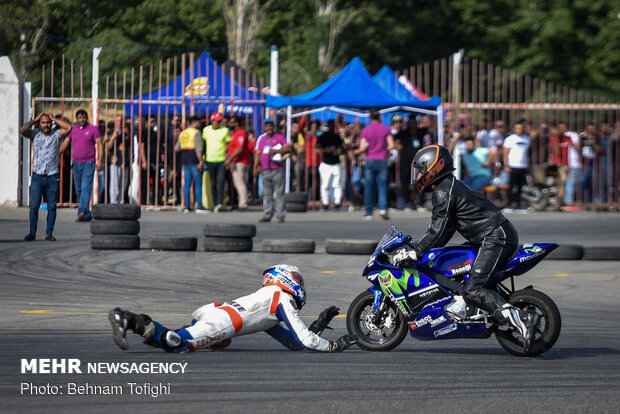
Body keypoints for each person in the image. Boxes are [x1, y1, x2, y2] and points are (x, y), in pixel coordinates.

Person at [391, 145, 538, 352]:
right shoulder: (448, 186)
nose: (419, 175)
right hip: (491, 237)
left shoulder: (444, 191)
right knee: (446, 263)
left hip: (495, 238)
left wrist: (415, 250)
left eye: (422, 169)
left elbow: (438, 231)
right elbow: (444, 231)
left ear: (435, 166)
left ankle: (521, 318)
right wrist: (419, 248)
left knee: (473, 289)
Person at [109, 264, 358, 353]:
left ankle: (154, 336)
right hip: (222, 321)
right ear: (287, 279)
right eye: (298, 280)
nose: (300, 286)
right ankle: (129, 319)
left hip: (217, 312)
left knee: (189, 340)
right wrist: (333, 346)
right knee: (178, 344)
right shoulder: (281, 299)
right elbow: (305, 340)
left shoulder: (268, 301)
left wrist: (318, 327)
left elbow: (294, 342)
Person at [20, 113, 72, 241]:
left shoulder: (56, 134)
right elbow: (22, 130)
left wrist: (54, 118)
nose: (46, 125)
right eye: (43, 123)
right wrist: (35, 120)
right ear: (40, 124)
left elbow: (69, 128)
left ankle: (49, 233)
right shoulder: (35, 134)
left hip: (52, 176)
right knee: (34, 206)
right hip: (37, 176)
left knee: (52, 206)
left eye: (48, 122)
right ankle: (32, 232)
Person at [60, 109, 103, 221]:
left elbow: (100, 144)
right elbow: (65, 143)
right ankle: (87, 214)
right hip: (76, 164)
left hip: (88, 164)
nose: (82, 119)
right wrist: (56, 153)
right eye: (79, 117)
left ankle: (81, 212)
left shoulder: (93, 129)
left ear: (87, 118)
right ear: (77, 119)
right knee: (78, 190)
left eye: (84, 117)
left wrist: (100, 161)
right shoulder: (73, 130)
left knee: (85, 188)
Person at [356, 110, 395, 220]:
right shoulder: (386, 129)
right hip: (382, 159)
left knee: (369, 186)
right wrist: (383, 149)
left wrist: (366, 150)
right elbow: (391, 145)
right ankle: (383, 208)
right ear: (379, 117)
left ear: (370, 118)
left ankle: (369, 212)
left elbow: (362, 148)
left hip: (370, 159)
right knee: (382, 186)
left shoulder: (366, 130)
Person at [254, 118, 292, 222]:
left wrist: (275, 151)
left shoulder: (279, 137)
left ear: (273, 127)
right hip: (265, 170)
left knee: (279, 193)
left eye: (270, 126)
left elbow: (288, 149)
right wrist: (256, 167)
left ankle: (280, 214)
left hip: (277, 169)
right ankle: (267, 214)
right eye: (267, 126)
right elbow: (258, 154)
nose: (269, 128)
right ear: (264, 127)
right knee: (267, 194)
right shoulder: (261, 139)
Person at [176, 116, 207, 214]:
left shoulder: (182, 133)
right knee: (198, 183)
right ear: (195, 122)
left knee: (187, 184)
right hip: (194, 160)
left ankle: (186, 206)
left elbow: (177, 148)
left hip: (185, 160)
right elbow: (198, 148)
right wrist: (201, 161)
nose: (200, 124)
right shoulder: (196, 133)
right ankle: (199, 206)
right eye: (199, 122)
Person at [202, 112, 231, 213]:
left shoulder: (225, 130)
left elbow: (228, 143)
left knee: (222, 181)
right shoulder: (206, 130)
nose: (217, 123)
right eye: (216, 121)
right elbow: (204, 143)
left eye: (219, 121)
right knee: (213, 183)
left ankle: (219, 202)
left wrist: (225, 154)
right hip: (210, 160)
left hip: (221, 160)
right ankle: (215, 203)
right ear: (212, 121)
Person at [316, 120, 345, 210]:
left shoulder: (337, 137)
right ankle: (325, 203)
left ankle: (337, 202)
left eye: (333, 125)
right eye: (330, 125)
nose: (332, 127)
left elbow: (342, 148)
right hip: (325, 163)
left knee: (337, 184)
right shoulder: (322, 137)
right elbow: (316, 149)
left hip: (336, 163)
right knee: (325, 185)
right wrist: (325, 150)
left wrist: (340, 151)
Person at [502, 121, 531, 211]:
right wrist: (506, 165)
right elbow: (505, 153)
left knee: (520, 186)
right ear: (514, 129)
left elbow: (526, 153)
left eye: (520, 128)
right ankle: (510, 204)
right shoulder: (509, 139)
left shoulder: (526, 139)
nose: (519, 130)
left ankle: (518, 204)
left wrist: (527, 164)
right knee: (511, 187)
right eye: (517, 128)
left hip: (522, 166)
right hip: (512, 165)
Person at [225, 116, 251, 211]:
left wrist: (229, 159)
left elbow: (239, 149)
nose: (229, 124)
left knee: (239, 182)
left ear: (237, 123)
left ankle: (243, 203)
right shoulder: (235, 133)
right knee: (240, 182)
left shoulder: (240, 133)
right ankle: (241, 202)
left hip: (240, 161)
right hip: (239, 161)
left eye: (231, 122)